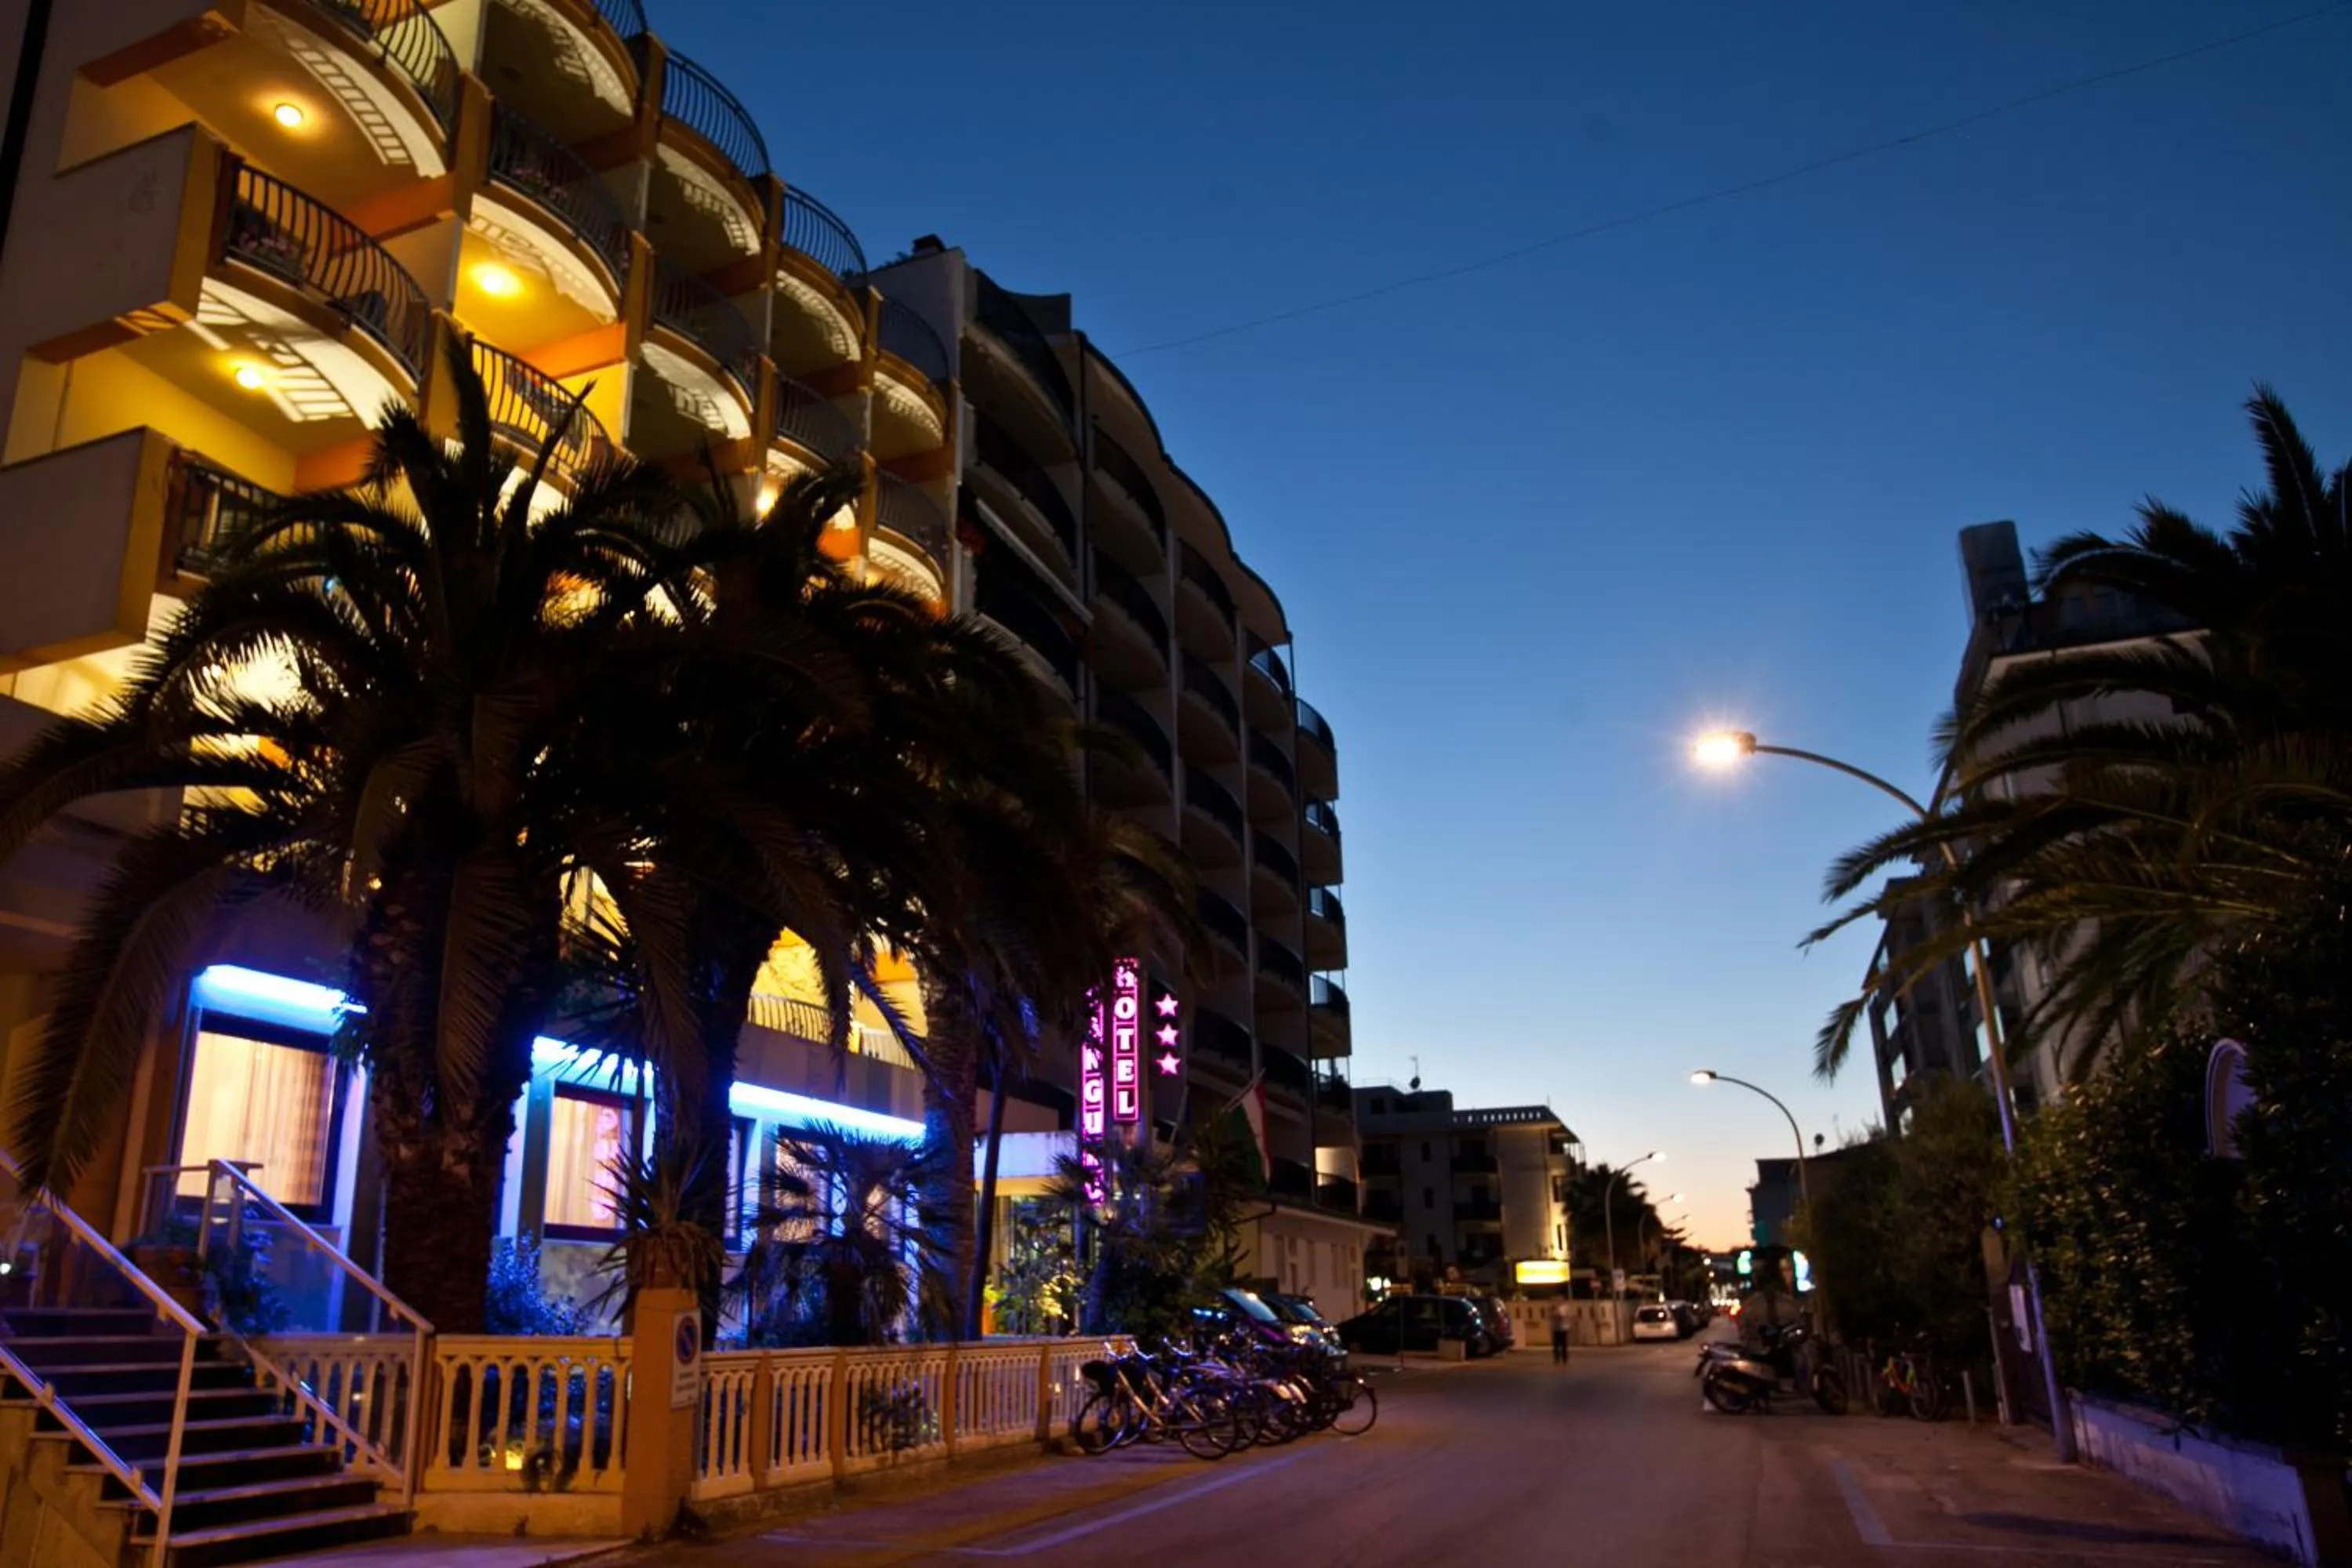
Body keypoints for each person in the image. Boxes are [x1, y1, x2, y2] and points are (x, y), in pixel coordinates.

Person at [1550, 1298, 1572, 1365]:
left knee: (1564, 1345)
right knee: (1556, 1345)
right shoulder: (1553, 1308)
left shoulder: (1564, 1308)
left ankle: (1564, 1359)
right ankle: (1557, 1359)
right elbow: (1552, 1317)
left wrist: (1559, 1315)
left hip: (1563, 1329)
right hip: (1556, 1329)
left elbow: (1564, 1316)